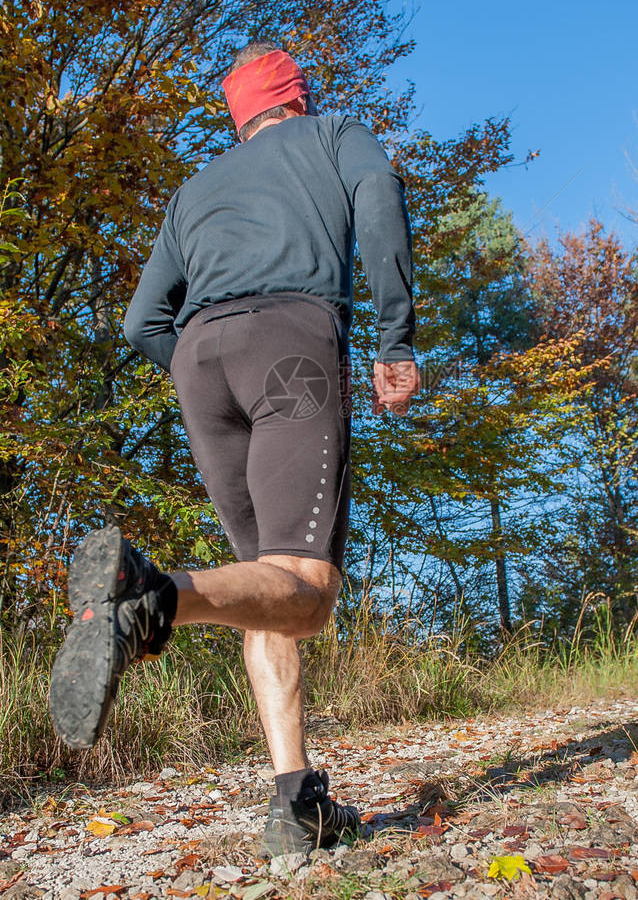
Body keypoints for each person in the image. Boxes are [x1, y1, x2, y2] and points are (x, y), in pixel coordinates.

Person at [49, 42, 420, 857]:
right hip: (291, 340)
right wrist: (395, 336)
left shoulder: (195, 190)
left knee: (268, 584)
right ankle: (148, 593)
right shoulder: (333, 135)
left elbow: (140, 322)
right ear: (298, 97)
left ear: (238, 116)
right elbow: (381, 193)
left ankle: (297, 803)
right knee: (312, 594)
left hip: (199, 362)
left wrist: (198, 366)